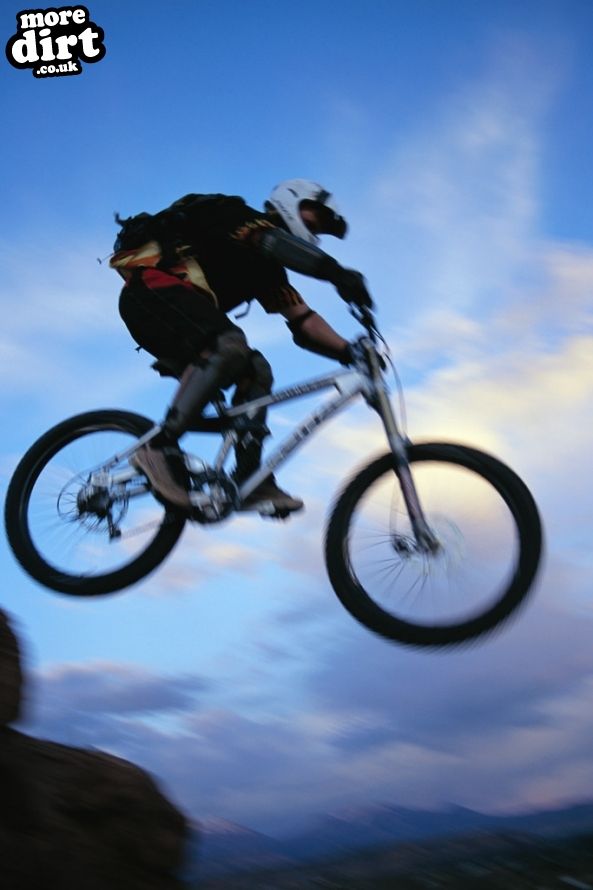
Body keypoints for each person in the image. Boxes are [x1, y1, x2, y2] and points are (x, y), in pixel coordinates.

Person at [110, 179, 372, 515]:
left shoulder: (270, 272)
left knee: (256, 370)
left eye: (320, 227)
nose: (316, 229)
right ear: (292, 202)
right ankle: (157, 449)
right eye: (315, 217)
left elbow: (303, 322)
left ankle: (250, 479)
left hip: (184, 320)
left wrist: (351, 351)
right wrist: (336, 273)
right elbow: (271, 241)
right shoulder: (237, 216)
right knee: (230, 345)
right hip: (149, 296)